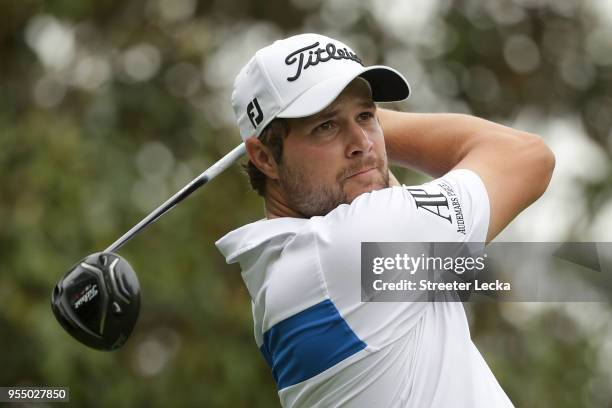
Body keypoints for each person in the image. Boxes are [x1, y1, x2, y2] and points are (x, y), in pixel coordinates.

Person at [216, 33, 554, 407]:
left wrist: (335, 116)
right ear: (264, 158)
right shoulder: (355, 246)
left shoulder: (284, 267)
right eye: (325, 126)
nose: (363, 142)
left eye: (367, 115)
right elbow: (527, 156)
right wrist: (362, 116)